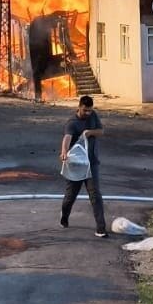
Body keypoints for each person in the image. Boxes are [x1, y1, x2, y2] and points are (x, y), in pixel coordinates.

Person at [59, 94, 107, 237]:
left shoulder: (93, 116)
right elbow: (66, 138)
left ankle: (101, 228)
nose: (88, 113)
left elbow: (101, 131)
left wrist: (89, 132)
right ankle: (64, 216)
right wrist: (63, 152)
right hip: (76, 165)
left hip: (92, 164)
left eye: (90, 110)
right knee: (70, 196)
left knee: (95, 195)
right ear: (79, 107)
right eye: (85, 110)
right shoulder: (72, 123)